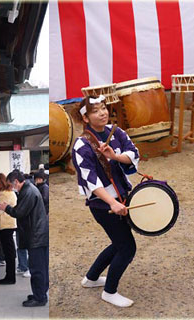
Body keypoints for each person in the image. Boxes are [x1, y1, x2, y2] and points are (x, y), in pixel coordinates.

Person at [71, 94, 140, 308]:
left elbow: (134, 153)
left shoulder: (115, 132)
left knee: (119, 242)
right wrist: (112, 203)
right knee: (127, 247)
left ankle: (91, 278)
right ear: (85, 118)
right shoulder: (81, 145)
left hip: (122, 196)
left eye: (103, 108)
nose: (102, 113)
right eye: (95, 111)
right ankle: (109, 292)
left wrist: (115, 157)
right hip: (103, 204)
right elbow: (90, 181)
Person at [0, 170, 49, 307]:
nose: (12, 188)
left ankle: (39, 297)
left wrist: (6, 207)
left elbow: (19, 212)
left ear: (17, 182)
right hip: (38, 233)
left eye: (12, 185)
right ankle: (40, 293)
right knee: (40, 266)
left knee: (37, 268)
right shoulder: (29, 189)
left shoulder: (28, 191)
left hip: (36, 234)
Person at [0, 173, 18, 285]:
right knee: (10, 250)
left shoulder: (3, 194)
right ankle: (10, 275)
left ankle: (10, 277)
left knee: (8, 252)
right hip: (11, 223)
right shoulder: (10, 192)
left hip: (5, 225)